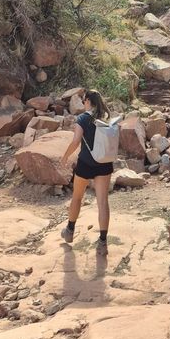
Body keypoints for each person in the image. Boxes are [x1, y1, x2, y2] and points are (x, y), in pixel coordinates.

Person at [61, 89, 113, 252]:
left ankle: (69, 231)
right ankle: (103, 242)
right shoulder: (105, 119)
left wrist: (65, 157)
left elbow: (76, 141)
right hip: (104, 164)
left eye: (84, 100)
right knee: (103, 202)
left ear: (89, 101)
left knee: (77, 197)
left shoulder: (82, 119)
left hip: (85, 163)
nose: (83, 103)